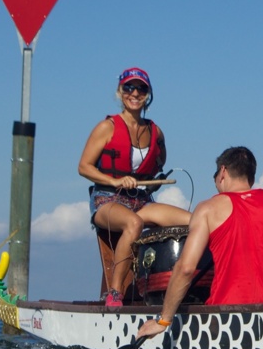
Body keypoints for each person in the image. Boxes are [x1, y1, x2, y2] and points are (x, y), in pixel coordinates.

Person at [137, 146, 263, 338]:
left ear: (223, 172)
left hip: (226, 318)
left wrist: (163, 320)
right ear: (251, 175)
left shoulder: (208, 209)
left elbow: (186, 268)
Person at [78, 67, 191, 307]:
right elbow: (84, 167)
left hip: (140, 200)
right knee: (134, 223)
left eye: (141, 88)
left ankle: (188, 286)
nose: (135, 93)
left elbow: (158, 162)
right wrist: (114, 181)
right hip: (107, 200)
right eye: (129, 87)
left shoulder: (155, 132)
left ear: (148, 94)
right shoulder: (106, 127)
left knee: (195, 221)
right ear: (120, 92)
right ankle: (115, 293)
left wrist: (151, 180)